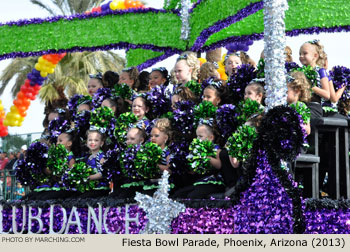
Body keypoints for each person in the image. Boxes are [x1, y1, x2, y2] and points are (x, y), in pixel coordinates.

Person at [172, 121, 225, 199]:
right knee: (178, 194)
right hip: (200, 182)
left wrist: (205, 156)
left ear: (211, 137)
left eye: (200, 136)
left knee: (192, 196)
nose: (197, 139)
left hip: (214, 182)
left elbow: (219, 165)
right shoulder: (197, 150)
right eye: (197, 136)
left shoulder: (216, 150)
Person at [299, 40, 330, 118]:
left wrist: (311, 87)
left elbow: (327, 95)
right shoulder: (299, 71)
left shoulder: (320, 71)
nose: (301, 56)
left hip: (314, 108)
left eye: (305, 53)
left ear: (315, 56)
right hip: (301, 106)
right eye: (300, 54)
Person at [78, 128, 109, 198]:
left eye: (96, 140)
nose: (92, 142)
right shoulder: (88, 157)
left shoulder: (101, 156)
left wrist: (89, 178)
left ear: (101, 143)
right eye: (90, 140)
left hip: (100, 187)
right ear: (86, 142)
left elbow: (102, 173)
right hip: (91, 186)